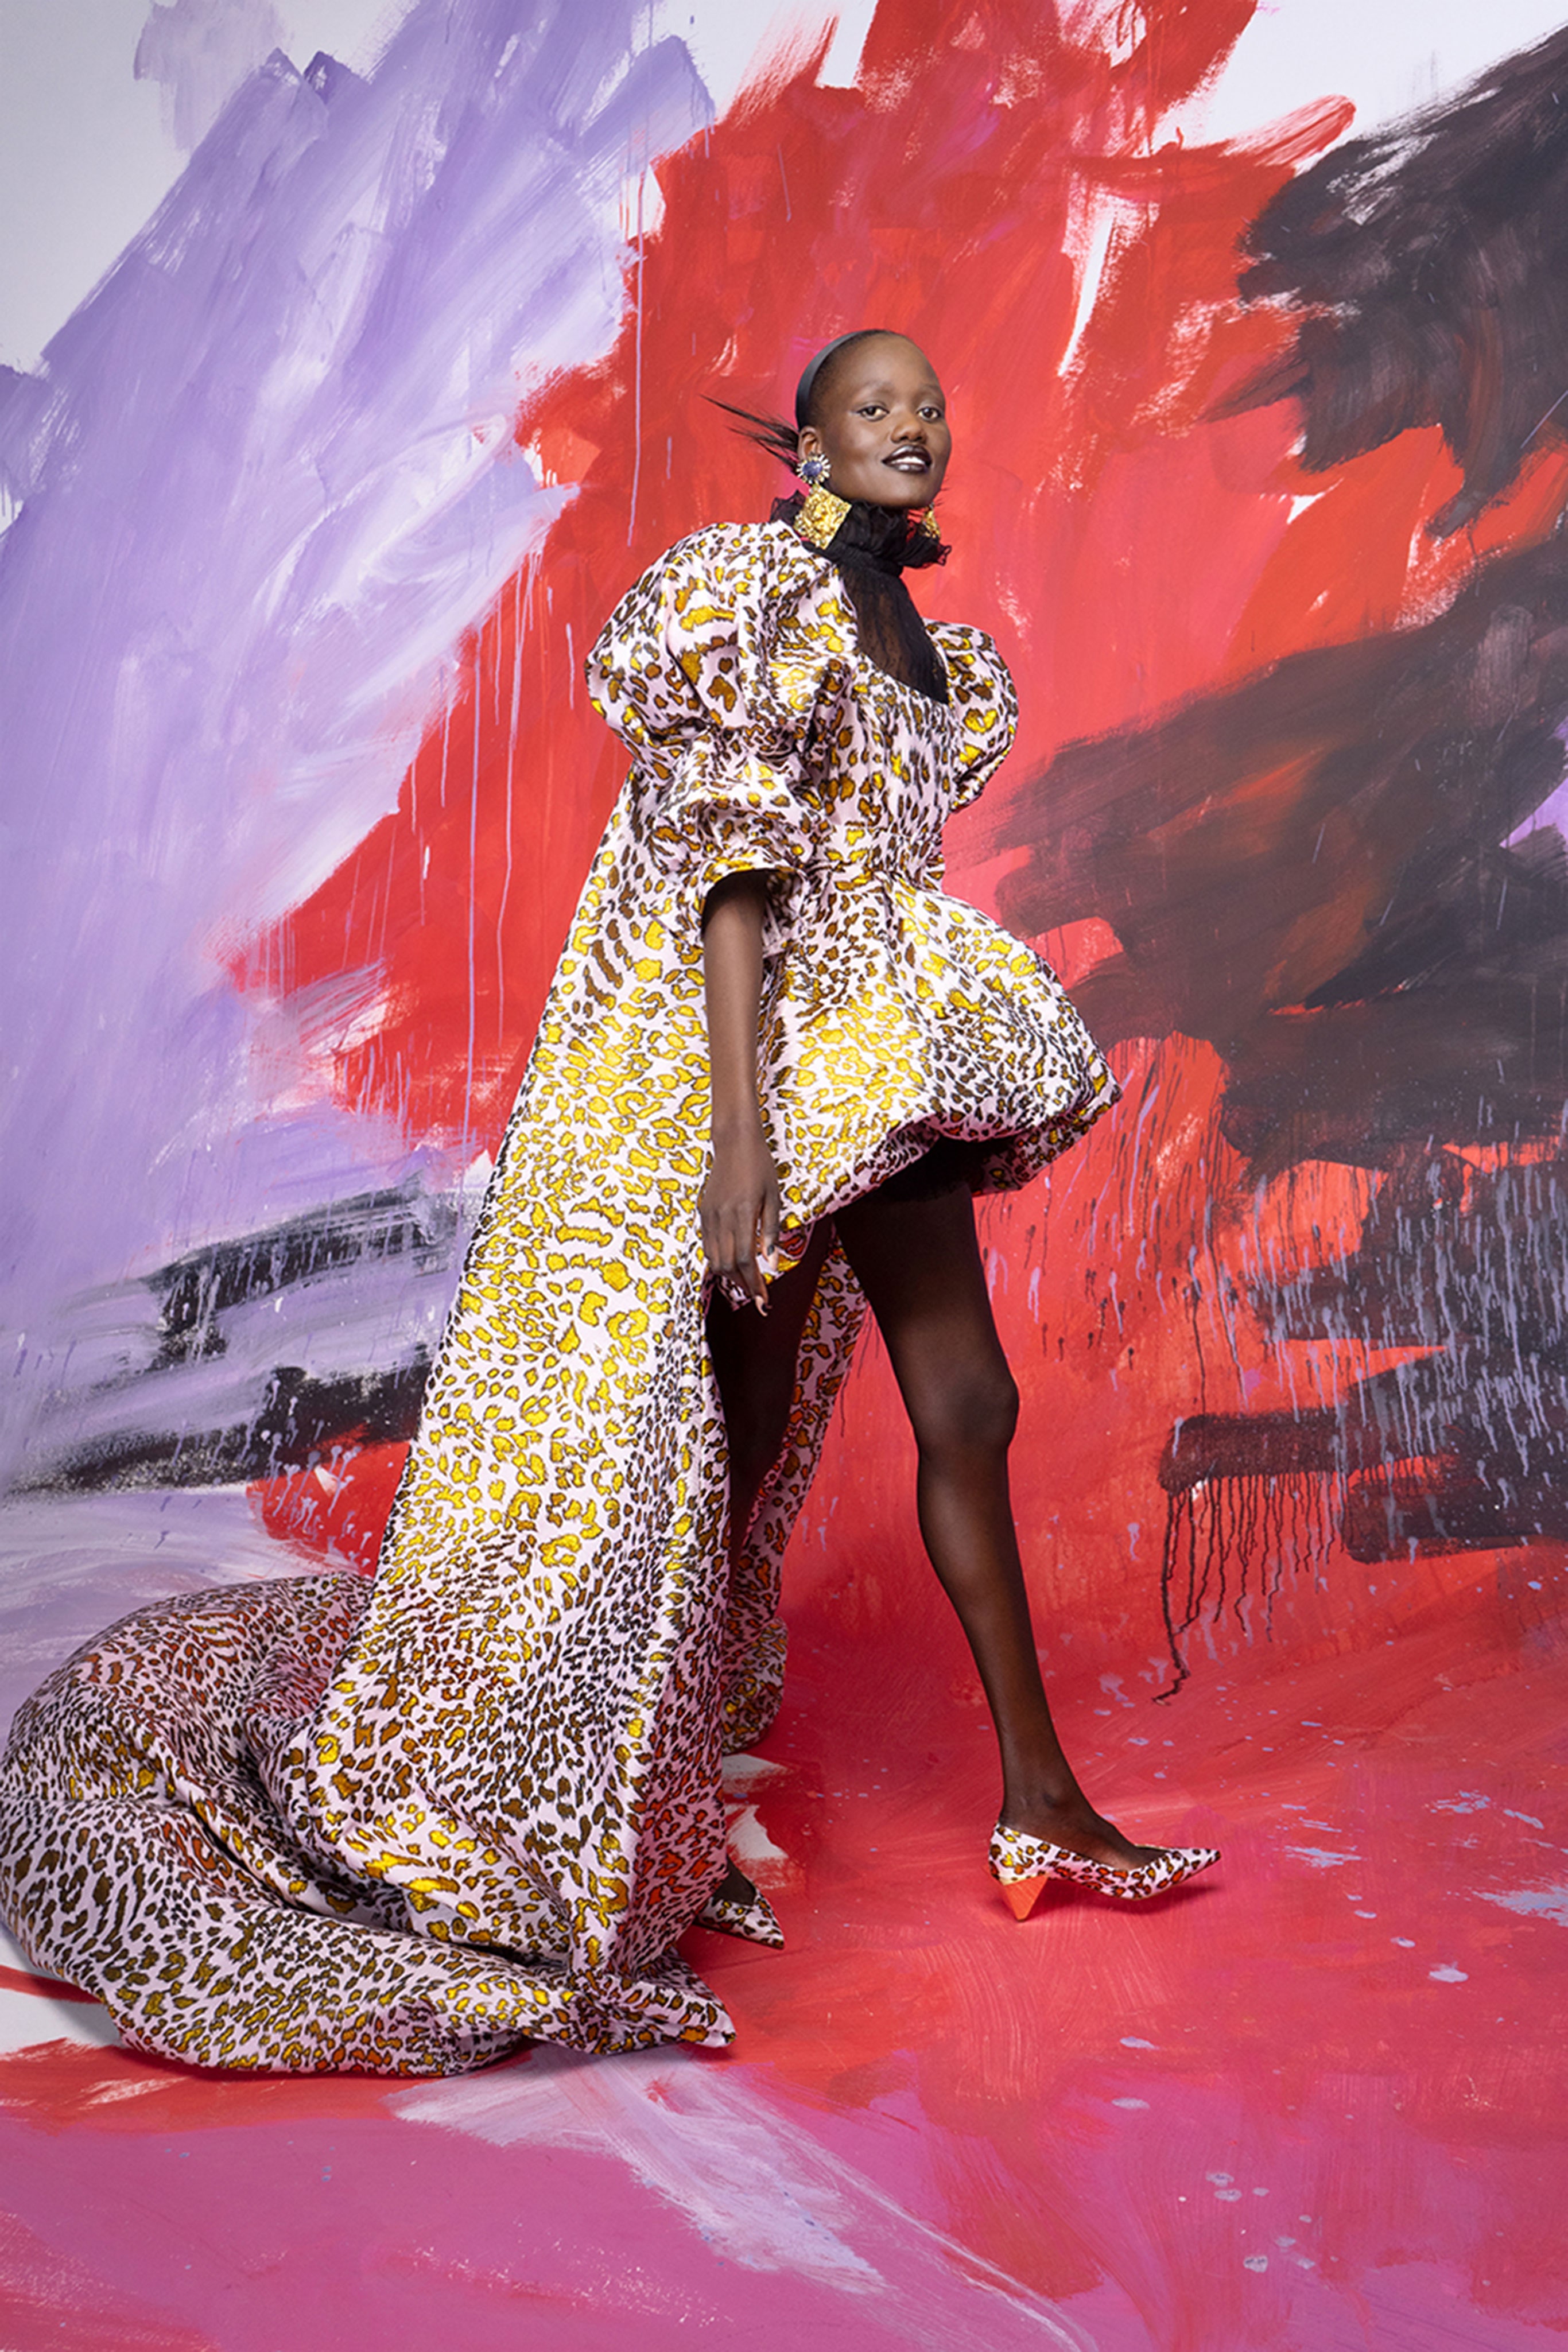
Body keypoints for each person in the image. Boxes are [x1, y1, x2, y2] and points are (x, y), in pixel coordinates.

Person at [0, 330, 1215, 2077]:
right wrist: (737, 1134)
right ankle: (640, 1818)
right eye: (874, 408)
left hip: (897, 1046)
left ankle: (1041, 1799)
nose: (913, 426)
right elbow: (729, 880)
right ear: (809, 443)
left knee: (970, 1403)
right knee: (717, 1457)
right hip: (772, 1064)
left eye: (930, 406)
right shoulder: (750, 597)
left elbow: (873, 862)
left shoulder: (925, 640)